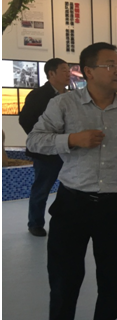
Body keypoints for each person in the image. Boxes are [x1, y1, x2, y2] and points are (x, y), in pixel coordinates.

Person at [27, 42, 117, 320]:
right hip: (73, 203)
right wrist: (71, 139)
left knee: (114, 272)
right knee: (64, 274)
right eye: (111, 65)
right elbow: (34, 140)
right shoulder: (64, 104)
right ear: (89, 72)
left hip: (116, 203)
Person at [19, 58, 70, 237]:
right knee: (42, 189)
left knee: (70, 189)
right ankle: (35, 223)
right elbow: (25, 120)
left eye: (69, 70)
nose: (69, 73)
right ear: (51, 73)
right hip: (45, 153)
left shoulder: (72, 96)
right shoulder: (38, 95)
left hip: (68, 150)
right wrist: (42, 140)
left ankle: (67, 222)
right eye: (64, 70)